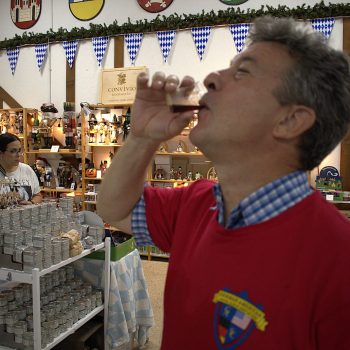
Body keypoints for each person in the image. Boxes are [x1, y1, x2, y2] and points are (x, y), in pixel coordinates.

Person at [97, 16, 350, 349]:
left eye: (242, 71)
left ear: (290, 120)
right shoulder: (197, 202)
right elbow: (113, 208)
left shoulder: (338, 262)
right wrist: (143, 138)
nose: (211, 77)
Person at [0, 133, 42, 204]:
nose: (18, 155)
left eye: (19, 150)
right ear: (1, 153)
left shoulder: (26, 169)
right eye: (13, 151)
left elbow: (38, 195)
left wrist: (31, 202)